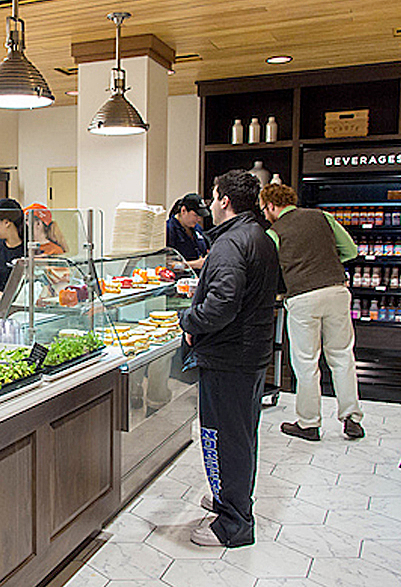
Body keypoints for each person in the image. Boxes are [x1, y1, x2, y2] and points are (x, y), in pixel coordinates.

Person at [178, 169, 279, 548]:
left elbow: (221, 304)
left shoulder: (231, 242)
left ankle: (233, 524)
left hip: (228, 355)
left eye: (213, 195)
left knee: (223, 438)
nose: (209, 203)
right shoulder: (260, 235)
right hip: (249, 353)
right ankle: (230, 501)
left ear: (224, 200)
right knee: (240, 435)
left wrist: (189, 320)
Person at [259, 183, 364, 441]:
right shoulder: (322, 217)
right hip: (337, 291)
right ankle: (351, 418)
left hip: (302, 297)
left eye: (264, 209)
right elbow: (351, 251)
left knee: (306, 362)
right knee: (342, 356)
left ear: (271, 205)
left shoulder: (274, 232)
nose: (264, 214)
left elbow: (270, 268)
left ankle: (308, 424)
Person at [166, 193, 210, 270]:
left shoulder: (197, 228)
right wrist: (194, 264)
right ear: (183, 211)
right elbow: (168, 265)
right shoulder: (169, 230)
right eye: (195, 215)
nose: (198, 219)